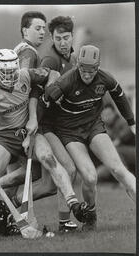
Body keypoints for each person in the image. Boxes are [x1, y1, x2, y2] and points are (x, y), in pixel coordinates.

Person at [0, 49, 88, 245]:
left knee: (48, 159)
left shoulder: (24, 75)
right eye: (5, 72)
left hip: (30, 132)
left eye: (12, 72)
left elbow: (53, 74)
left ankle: (74, 204)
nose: (10, 76)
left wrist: (45, 95)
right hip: (4, 138)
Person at [0, 12, 78, 233]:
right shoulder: (29, 53)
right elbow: (25, 86)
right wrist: (31, 120)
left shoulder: (20, 49)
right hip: (22, 126)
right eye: (37, 28)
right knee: (39, 177)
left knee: (30, 176)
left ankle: (3, 220)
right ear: (24, 30)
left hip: (11, 124)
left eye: (43, 28)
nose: (42, 32)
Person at [44, 44, 136, 230]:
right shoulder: (67, 81)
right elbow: (46, 100)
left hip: (93, 126)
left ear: (98, 67)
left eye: (92, 70)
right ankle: (91, 214)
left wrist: (131, 122)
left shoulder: (105, 78)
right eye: (84, 70)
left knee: (119, 170)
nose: (87, 75)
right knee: (90, 177)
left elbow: (120, 97)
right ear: (78, 65)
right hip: (70, 133)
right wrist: (48, 95)